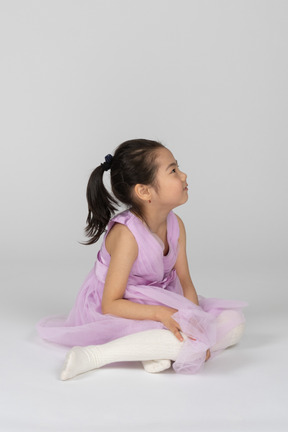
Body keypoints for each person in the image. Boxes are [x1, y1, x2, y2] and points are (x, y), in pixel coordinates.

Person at [37, 138, 247, 380]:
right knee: (179, 340)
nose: (184, 175)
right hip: (120, 308)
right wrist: (162, 315)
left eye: (178, 167)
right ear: (144, 191)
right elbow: (111, 303)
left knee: (234, 322)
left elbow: (185, 282)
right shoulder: (127, 234)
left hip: (158, 298)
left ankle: (153, 351)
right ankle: (94, 355)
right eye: (173, 171)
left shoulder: (176, 224)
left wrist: (197, 324)